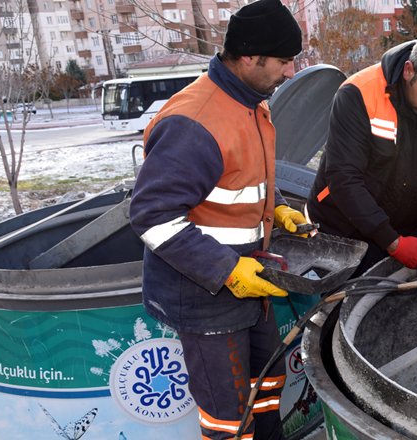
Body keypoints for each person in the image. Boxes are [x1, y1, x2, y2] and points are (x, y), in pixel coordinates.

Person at [128, 1, 307, 439]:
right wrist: (227, 269)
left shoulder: (248, 102)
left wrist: (279, 206)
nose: (289, 73)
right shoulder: (196, 121)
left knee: (266, 390)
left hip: (250, 279)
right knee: (228, 418)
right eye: (283, 62)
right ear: (249, 57)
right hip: (204, 293)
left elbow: (246, 173)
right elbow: (151, 216)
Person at [306, 33, 417, 275]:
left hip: (405, 232)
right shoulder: (359, 93)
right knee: (347, 306)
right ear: (409, 71)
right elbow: (343, 178)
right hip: (344, 232)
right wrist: (391, 241)